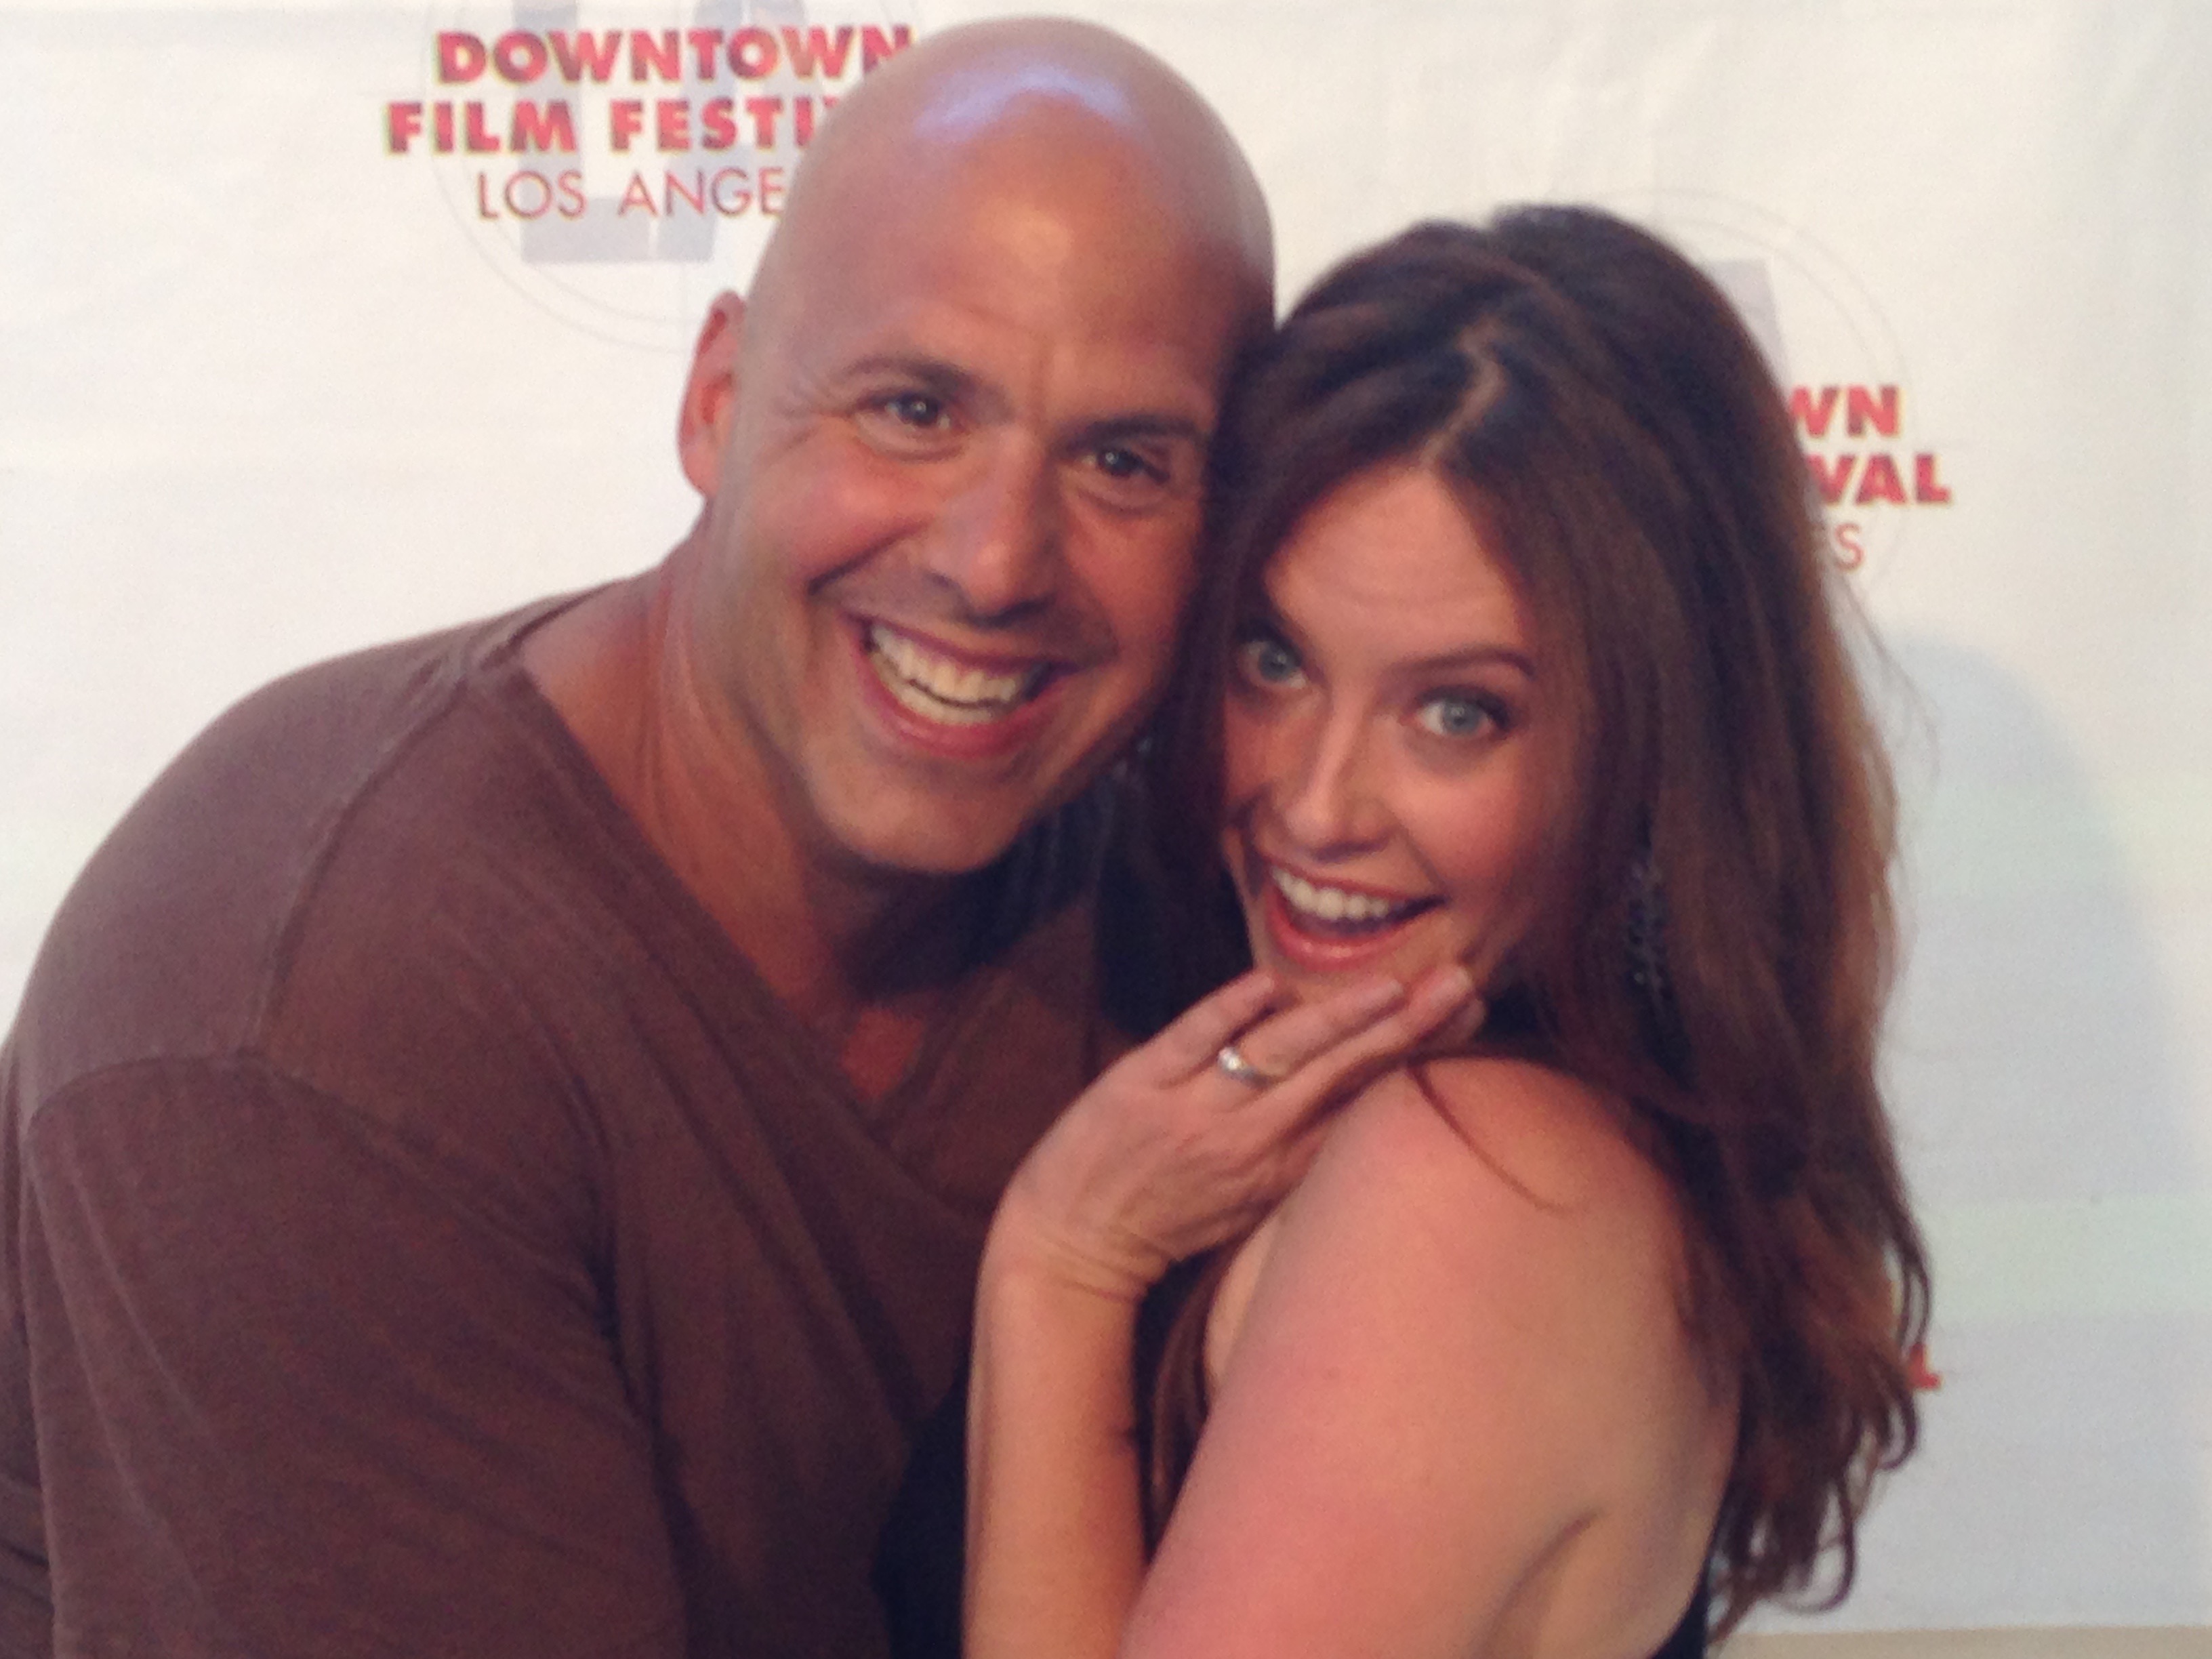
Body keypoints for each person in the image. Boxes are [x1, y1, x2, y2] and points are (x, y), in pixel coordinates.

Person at [0, 20, 1469, 1657]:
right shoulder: (313, 1012)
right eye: (913, 409)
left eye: (1126, 462)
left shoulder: (1221, 878)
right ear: (715, 404)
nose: (996, 561)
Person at [957, 208, 1932, 1658]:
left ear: (1660, 754)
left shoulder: (1475, 1188)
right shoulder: (1510, 1130)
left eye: (1458, 712)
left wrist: (1061, 1265)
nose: (1317, 803)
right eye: (1275, 659)